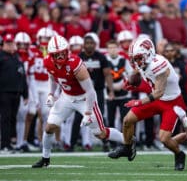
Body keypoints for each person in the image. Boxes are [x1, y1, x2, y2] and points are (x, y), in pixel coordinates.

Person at [32, 35, 124, 168]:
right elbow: (52, 77)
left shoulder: (74, 63)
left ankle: (127, 139)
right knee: (49, 127)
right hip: (66, 96)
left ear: (67, 50)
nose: (60, 57)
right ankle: (45, 158)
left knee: (100, 133)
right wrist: (51, 94)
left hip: (84, 98)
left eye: (62, 53)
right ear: (51, 55)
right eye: (56, 54)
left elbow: (90, 91)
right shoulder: (48, 61)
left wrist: (87, 113)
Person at [108, 36, 187, 171]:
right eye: (134, 59)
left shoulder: (159, 65)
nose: (136, 62)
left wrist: (139, 101)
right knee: (128, 120)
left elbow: (159, 92)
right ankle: (128, 147)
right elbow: (138, 72)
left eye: (138, 58)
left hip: (171, 102)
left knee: (164, 139)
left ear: (149, 53)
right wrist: (131, 82)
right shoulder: (143, 62)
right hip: (157, 100)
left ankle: (179, 154)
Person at [0, 33, 28, 152]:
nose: (10, 45)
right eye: (8, 43)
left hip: (16, 93)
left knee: (13, 118)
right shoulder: (1, 57)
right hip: (4, 92)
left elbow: (22, 76)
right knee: (5, 118)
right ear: (3, 45)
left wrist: (25, 94)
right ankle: (4, 144)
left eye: (12, 43)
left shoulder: (17, 58)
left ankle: (11, 142)